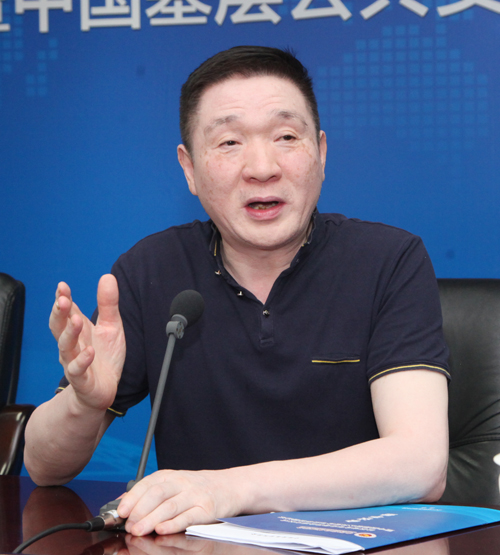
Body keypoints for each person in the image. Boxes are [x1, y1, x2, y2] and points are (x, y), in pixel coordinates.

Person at [24, 46, 450, 538]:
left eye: (286, 136)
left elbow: (421, 465)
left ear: (321, 153)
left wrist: (227, 490)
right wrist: (83, 404)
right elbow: (42, 468)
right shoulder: (151, 270)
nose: (262, 167)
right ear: (189, 169)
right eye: (229, 142)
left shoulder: (388, 261)